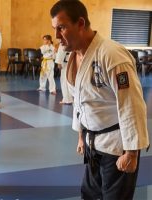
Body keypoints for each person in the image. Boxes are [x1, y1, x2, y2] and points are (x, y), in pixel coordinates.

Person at [50, 0, 150, 199]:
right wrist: (80, 134)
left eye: (61, 28)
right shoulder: (74, 55)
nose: (56, 36)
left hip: (116, 146)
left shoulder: (111, 55)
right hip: (92, 144)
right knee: (89, 194)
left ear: (80, 23)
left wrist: (131, 152)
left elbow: (131, 104)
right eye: (54, 29)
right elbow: (81, 100)